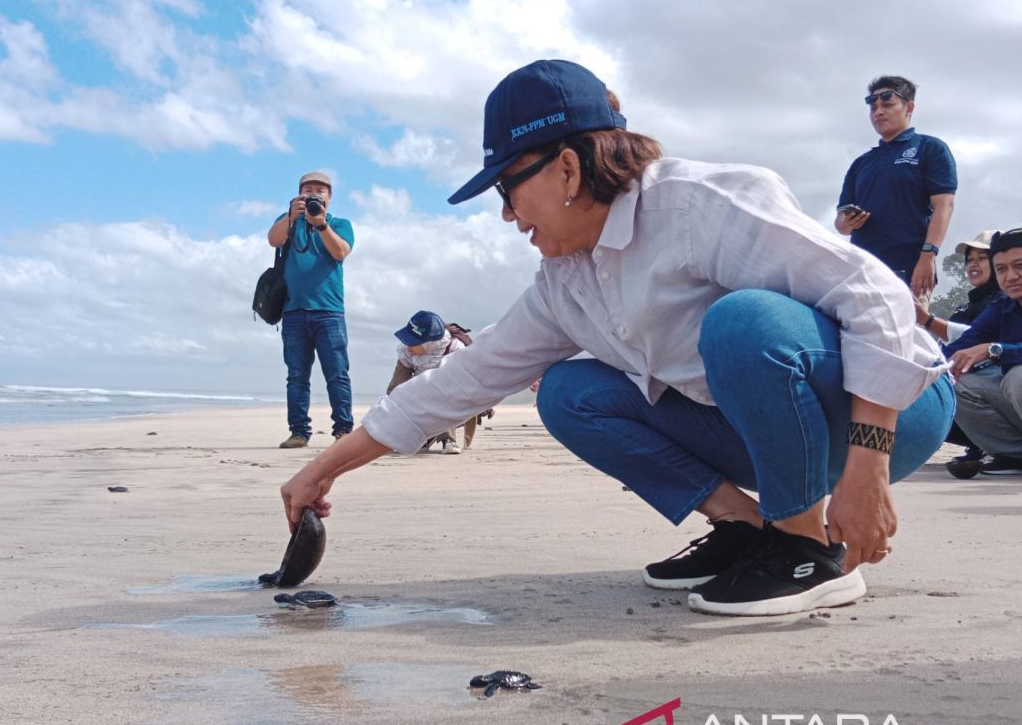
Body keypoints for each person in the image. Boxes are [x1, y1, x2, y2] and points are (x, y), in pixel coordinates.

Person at [279, 59, 954, 618]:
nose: (510, 218)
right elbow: (462, 380)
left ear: (568, 170)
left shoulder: (697, 203)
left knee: (743, 322)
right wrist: (325, 468)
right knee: (570, 392)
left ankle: (808, 553)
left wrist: (868, 466)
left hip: (896, 410)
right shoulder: (565, 281)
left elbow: (875, 297)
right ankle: (749, 528)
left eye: (509, 192)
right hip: (767, 433)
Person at [835, 75, 957, 304]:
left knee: (909, 336)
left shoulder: (930, 148)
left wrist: (928, 256)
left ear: (909, 107)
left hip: (910, 267)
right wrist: (847, 222)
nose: (878, 112)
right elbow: (840, 224)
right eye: (873, 107)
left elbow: (945, 205)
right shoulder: (861, 163)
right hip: (864, 271)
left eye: (887, 104)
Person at [266, 172, 356, 449]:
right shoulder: (288, 221)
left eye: (320, 191)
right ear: (297, 195)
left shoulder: (339, 224)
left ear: (329, 197)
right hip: (293, 311)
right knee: (296, 376)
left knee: (337, 373)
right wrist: (292, 218)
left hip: (329, 311)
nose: (313, 195)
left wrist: (320, 226)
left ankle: (343, 430)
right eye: (307, 190)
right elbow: (273, 240)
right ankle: (299, 432)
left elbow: (341, 252)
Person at [915, 230, 1003, 473]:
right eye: (969, 259)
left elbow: (979, 341)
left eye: (981, 258)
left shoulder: (1003, 300)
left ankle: (999, 447)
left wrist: (927, 320)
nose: (972, 264)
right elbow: (955, 346)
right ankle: (980, 443)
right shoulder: (970, 304)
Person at [942, 228, 1022, 478]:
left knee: (1017, 375)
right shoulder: (1001, 307)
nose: (1011, 276)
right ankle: (1013, 455)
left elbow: (990, 349)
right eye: (1002, 269)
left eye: (1019, 265)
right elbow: (961, 347)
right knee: (954, 381)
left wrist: (994, 350)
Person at [385, 310, 476, 455]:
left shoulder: (454, 349)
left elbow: (462, 383)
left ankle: (449, 439)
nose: (408, 346)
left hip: (451, 395)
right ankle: (420, 438)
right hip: (420, 389)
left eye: (413, 342)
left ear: (429, 343)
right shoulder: (406, 352)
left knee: (443, 396)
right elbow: (396, 386)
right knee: (398, 395)